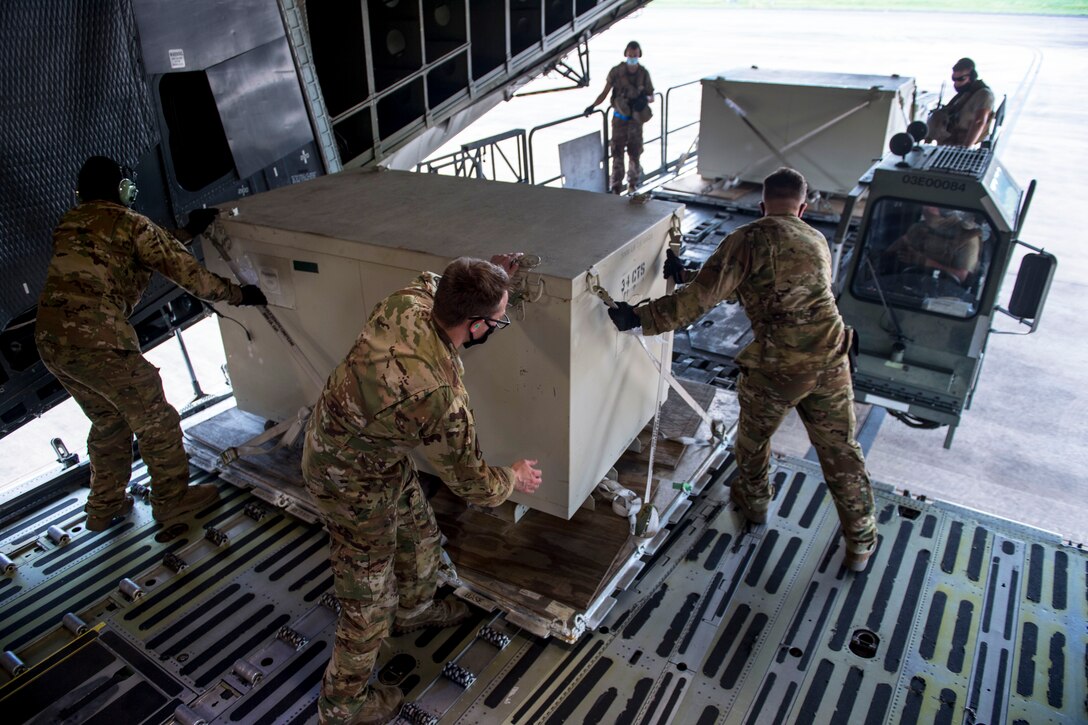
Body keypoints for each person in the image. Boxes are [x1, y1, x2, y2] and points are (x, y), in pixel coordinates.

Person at [301, 255, 543, 725]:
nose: (499, 324)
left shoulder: (410, 301)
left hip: (365, 450)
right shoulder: (441, 394)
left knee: (419, 531)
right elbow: (473, 484)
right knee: (366, 598)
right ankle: (342, 706)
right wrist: (514, 476)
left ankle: (415, 609)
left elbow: (444, 279)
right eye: (499, 318)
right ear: (476, 326)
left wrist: (493, 277)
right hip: (346, 480)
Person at [612, 168, 877, 573]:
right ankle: (861, 544)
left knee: (752, 442)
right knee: (842, 453)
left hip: (779, 369)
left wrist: (638, 318)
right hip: (832, 360)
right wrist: (685, 273)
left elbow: (700, 301)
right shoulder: (816, 239)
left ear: (761, 205)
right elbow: (759, 282)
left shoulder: (748, 238)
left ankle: (754, 506)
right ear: (802, 208)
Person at [34, 155, 268, 532]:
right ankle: (172, 501)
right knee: (155, 419)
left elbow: (136, 247)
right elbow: (191, 277)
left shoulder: (71, 224)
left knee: (109, 421)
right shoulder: (131, 223)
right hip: (99, 341)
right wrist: (239, 294)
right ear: (121, 190)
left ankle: (104, 506)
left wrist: (186, 231)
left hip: (53, 344)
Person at [584, 40, 655, 194]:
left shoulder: (643, 74)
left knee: (635, 153)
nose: (632, 57)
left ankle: (632, 185)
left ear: (639, 55)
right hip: (619, 120)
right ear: (625, 54)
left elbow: (651, 96)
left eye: (635, 55)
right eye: (630, 54)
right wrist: (593, 106)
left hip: (636, 121)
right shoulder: (616, 72)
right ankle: (616, 187)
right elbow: (605, 92)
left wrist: (644, 99)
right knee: (617, 154)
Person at [882, 206, 982, 286]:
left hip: (942, 295)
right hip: (908, 283)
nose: (924, 207)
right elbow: (899, 244)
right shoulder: (920, 228)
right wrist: (880, 258)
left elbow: (961, 276)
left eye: (928, 205)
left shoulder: (968, 238)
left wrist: (923, 261)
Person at [925, 58, 995, 147]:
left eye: (960, 79)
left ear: (972, 77)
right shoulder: (966, 93)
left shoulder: (983, 95)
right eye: (954, 79)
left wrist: (965, 148)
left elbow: (979, 122)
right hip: (949, 138)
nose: (956, 84)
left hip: (961, 142)